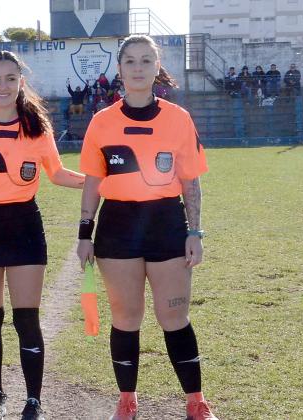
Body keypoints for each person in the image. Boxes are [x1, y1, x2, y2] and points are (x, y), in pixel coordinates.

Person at [76, 35, 218, 420]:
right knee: (126, 319)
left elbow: (191, 181)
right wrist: (84, 234)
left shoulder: (179, 119)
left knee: (174, 317)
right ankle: (127, 400)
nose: (138, 68)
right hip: (118, 226)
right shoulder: (102, 123)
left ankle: (195, 401)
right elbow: (92, 182)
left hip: (166, 224)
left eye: (146, 61)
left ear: (157, 68)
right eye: (130, 61)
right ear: (119, 69)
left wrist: (195, 232)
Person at [0, 50, 85, 420]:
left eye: (11, 78)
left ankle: (33, 401)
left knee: (27, 318)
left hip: (24, 225)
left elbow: (56, 174)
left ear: (20, 83)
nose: (3, 85)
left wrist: (98, 184)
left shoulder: (37, 128)